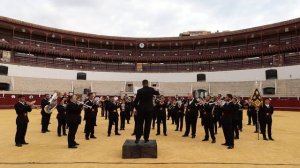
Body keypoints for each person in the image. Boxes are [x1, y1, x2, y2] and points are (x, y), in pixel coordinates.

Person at [133, 79, 160, 143]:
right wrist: (154, 88)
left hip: (141, 110)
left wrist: (137, 108)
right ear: (147, 83)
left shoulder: (139, 91)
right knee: (148, 124)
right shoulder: (151, 89)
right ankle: (146, 138)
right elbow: (158, 93)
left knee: (139, 124)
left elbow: (135, 102)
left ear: (142, 84)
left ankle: (138, 138)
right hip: (149, 110)